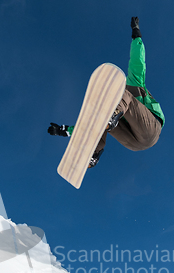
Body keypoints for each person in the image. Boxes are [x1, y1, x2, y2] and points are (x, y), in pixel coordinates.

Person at [48, 17, 165, 168]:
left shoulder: (133, 83)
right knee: (100, 117)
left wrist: (136, 33)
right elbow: (90, 124)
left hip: (150, 130)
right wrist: (63, 131)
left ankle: (114, 113)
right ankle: (94, 153)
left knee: (123, 97)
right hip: (133, 144)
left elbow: (138, 61)